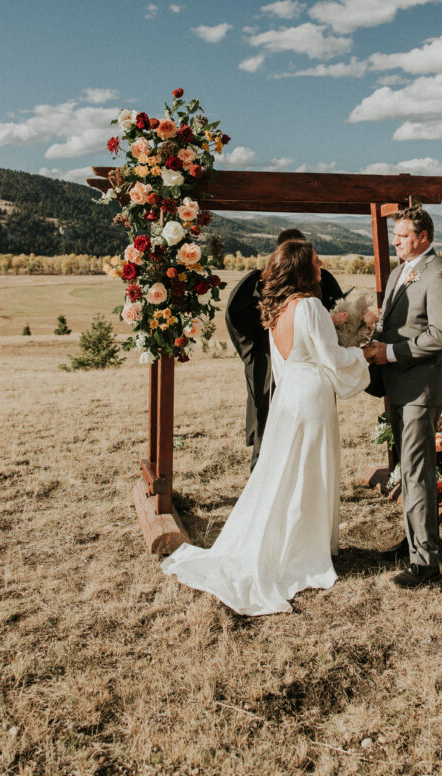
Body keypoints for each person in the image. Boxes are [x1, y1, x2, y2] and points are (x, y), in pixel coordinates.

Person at [162, 239, 369, 615]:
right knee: (308, 474)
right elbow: (332, 357)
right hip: (311, 398)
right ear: (302, 268)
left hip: (288, 397)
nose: (322, 264)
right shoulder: (309, 306)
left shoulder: (278, 308)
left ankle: (289, 541)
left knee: (284, 474)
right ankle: (301, 552)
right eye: (316, 260)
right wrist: (362, 352)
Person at [363, 207, 442, 588]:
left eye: (403, 236)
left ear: (424, 237)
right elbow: (393, 324)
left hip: (422, 386)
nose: (396, 241)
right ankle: (413, 541)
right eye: (395, 235)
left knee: (418, 471)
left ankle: (425, 563)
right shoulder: (397, 272)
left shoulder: (440, 274)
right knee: (408, 467)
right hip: (398, 385)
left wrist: (388, 353)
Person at [225, 228, 343, 470]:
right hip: (268, 360)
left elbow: (335, 313)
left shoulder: (324, 279)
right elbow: (236, 319)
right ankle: (263, 467)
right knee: (268, 417)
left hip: (310, 366)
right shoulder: (256, 281)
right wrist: (257, 348)